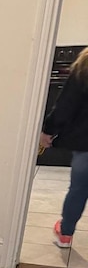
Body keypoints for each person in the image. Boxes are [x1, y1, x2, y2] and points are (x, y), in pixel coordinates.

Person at [40, 47, 88, 248]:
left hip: (86, 145)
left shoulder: (84, 66)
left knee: (78, 190)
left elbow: (65, 106)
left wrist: (47, 131)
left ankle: (65, 235)